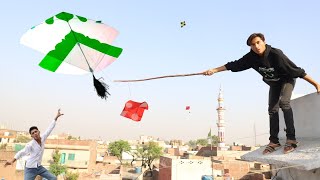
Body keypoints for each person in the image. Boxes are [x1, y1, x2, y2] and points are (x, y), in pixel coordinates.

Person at [203, 33, 320, 154]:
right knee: (272, 109)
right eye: (253, 45)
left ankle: (291, 139)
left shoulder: (276, 54)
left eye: (258, 42)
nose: (256, 46)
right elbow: (234, 65)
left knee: (284, 103)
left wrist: (316, 84)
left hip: (287, 79)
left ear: (264, 41)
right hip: (274, 83)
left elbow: (297, 70)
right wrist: (214, 70)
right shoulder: (251, 57)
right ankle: (274, 141)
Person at [4, 109, 64, 179]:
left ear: (39, 132)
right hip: (30, 169)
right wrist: (12, 160)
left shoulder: (43, 137)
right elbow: (21, 152)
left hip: (39, 167)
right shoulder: (30, 145)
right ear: (31, 136)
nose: (35, 133)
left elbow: (49, 129)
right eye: (33, 133)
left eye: (36, 131)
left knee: (53, 178)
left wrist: (56, 117)